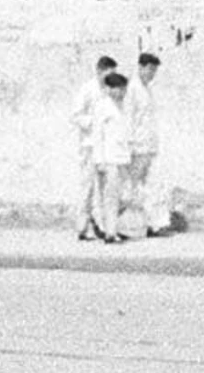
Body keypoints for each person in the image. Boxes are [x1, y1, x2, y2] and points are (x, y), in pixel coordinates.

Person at [81, 68, 134, 241]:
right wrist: (99, 160)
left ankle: (109, 227)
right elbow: (97, 135)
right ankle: (110, 232)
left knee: (124, 196)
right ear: (109, 89)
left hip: (122, 157)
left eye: (123, 89)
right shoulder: (102, 107)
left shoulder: (123, 107)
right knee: (110, 197)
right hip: (108, 158)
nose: (122, 92)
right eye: (118, 88)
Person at [70, 55, 118, 235]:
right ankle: (82, 227)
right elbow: (75, 116)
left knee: (106, 188)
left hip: (106, 146)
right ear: (99, 71)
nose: (109, 77)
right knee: (87, 186)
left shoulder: (109, 90)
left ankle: (103, 225)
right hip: (89, 145)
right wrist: (94, 122)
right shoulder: (87, 90)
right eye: (107, 73)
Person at [123, 52, 170, 237]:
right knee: (131, 187)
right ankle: (114, 223)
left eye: (155, 70)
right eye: (150, 69)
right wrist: (128, 145)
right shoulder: (132, 89)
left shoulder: (147, 89)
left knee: (152, 185)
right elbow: (128, 119)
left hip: (149, 145)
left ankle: (154, 225)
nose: (152, 74)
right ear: (140, 67)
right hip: (136, 146)